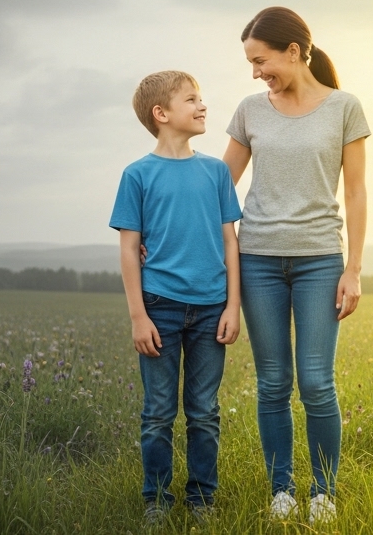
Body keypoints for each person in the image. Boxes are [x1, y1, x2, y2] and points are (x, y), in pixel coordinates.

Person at [224, 7, 370, 523]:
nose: (256, 72)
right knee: (272, 383)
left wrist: (352, 268)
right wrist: (162, 231)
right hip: (258, 259)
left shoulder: (344, 108)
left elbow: (355, 192)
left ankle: (323, 493)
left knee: (316, 382)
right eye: (250, 63)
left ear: (293, 50)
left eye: (261, 60)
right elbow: (219, 188)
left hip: (319, 261)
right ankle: (281, 491)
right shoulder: (249, 110)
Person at [109, 70, 243, 525]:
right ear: (161, 114)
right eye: (192, 99)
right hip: (159, 308)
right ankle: (157, 501)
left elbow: (230, 242)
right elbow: (129, 247)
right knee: (158, 413)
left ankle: (202, 500)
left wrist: (232, 306)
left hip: (211, 310)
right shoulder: (137, 175)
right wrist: (137, 316)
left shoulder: (216, 172)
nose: (203, 106)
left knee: (204, 412)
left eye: (202, 98)